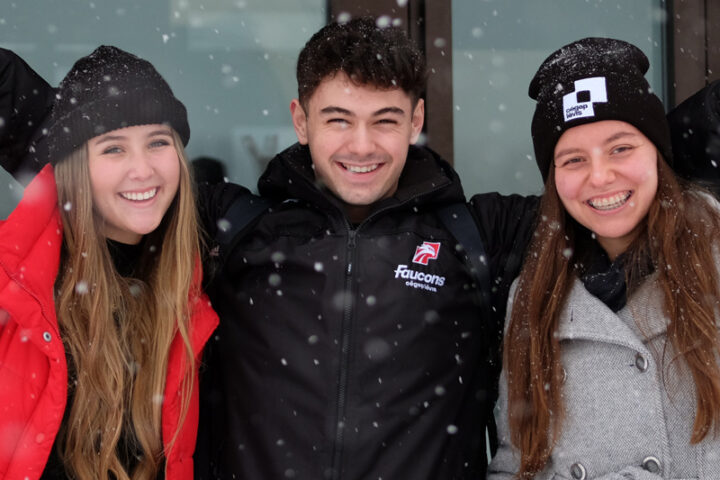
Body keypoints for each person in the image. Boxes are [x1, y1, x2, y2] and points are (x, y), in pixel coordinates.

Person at [193, 17, 539, 480]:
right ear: (301, 121)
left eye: (385, 120)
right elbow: (116, 195)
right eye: (338, 120)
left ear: (416, 121)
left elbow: (603, 198)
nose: (361, 146)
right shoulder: (234, 229)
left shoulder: (478, 236)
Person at [488, 38, 720, 479]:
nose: (599, 177)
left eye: (620, 148)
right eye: (573, 159)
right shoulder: (533, 297)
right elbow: (516, 466)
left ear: (657, 154)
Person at [0, 46, 218, 479]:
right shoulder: (20, 289)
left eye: (158, 142)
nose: (143, 170)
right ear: (75, 169)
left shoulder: (202, 283)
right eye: (113, 148)